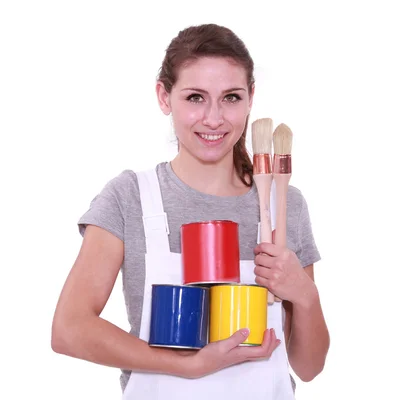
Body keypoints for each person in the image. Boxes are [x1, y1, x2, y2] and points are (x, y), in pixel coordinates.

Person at [51, 23, 329, 399]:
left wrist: (305, 295)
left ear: (250, 98)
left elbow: (309, 368)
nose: (213, 118)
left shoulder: (285, 204)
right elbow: (69, 330)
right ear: (164, 97)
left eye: (231, 97)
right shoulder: (130, 197)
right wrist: (188, 364)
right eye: (195, 97)